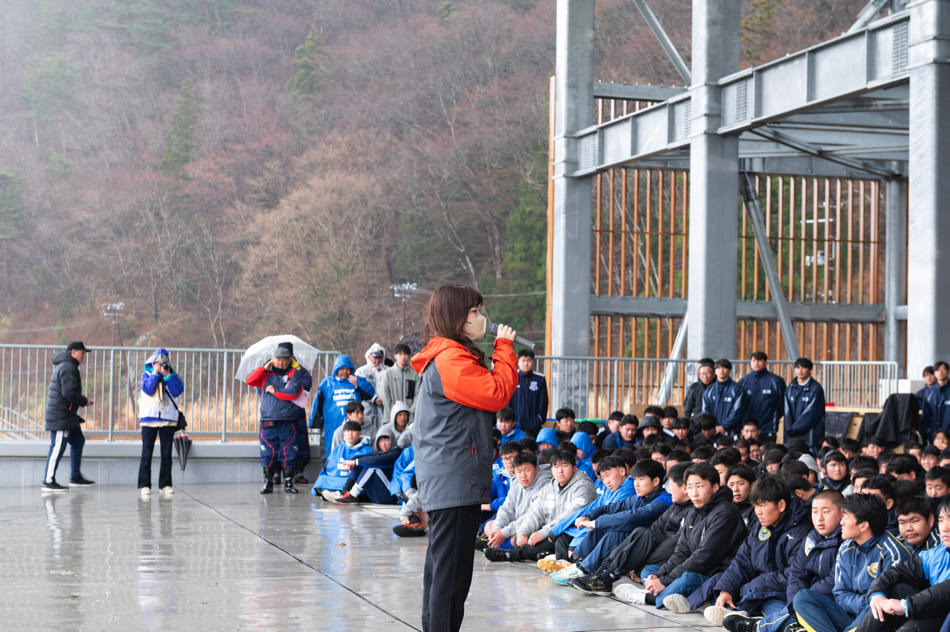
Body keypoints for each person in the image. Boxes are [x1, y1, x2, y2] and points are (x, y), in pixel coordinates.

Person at [410, 284, 518, 632]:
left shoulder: (450, 356)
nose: (480, 318)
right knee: (451, 577)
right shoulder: (451, 359)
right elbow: (496, 392)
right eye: (473, 312)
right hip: (453, 480)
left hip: (451, 479)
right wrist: (504, 348)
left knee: (445, 573)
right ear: (456, 317)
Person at [617, 462, 747, 611]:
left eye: (700, 486)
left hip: (717, 574)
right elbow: (681, 551)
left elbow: (705, 556)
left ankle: (648, 598)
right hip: (697, 569)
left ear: (715, 487)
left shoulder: (726, 513)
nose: (694, 493)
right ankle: (679, 597)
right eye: (690, 487)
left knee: (687, 579)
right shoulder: (694, 511)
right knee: (652, 571)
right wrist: (659, 575)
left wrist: (665, 581)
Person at [721, 488, 845, 632]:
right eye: (815, 512)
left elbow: (832, 581)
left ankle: (756, 626)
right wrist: (796, 603)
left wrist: (803, 601)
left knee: (794, 604)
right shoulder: (811, 538)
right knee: (777, 604)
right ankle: (790, 624)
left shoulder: (845, 542)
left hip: (831, 604)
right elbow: (796, 574)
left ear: (843, 513)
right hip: (803, 600)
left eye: (826, 511)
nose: (819, 518)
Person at [698, 476, 810, 623]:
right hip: (757, 588)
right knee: (719, 582)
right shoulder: (760, 526)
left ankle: (740, 614)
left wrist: (756, 585)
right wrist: (727, 590)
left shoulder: (801, 530)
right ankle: (730, 608)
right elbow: (742, 560)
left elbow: (793, 575)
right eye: (755, 506)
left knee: (777, 611)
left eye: (762, 505)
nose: (758, 512)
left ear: (781, 505)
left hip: (780, 593)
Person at [792, 494, 912, 632]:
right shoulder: (845, 548)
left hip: (876, 619)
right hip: (850, 614)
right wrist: (863, 601)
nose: (841, 522)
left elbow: (888, 598)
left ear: (863, 526)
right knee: (803, 598)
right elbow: (840, 594)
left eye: (846, 517)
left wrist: (868, 601)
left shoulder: (893, 552)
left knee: (877, 603)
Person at [571, 462, 693, 597]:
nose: (636, 484)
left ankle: (603, 575)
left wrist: (640, 562)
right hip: (646, 550)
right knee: (615, 528)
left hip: (662, 559)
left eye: (641, 479)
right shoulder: (660, 502)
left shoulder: (665, 501)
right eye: (635, 480)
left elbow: (633, 517)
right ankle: (592, 569)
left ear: (656, 481)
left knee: (631, 534)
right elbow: (611, 508)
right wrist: (589, 516)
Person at [483, 450, 596, 563]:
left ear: (574, 467)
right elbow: (535, 513)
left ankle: (510, 554)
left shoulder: (583, 486)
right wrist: (523, 532)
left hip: (575, 532)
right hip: (551, 530)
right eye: (556, 467)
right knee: (521, 537)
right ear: (551, 469)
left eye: (564, 465)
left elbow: (569, 516)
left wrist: (542, 533)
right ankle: (540, 553)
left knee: (556, 537)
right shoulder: (550, 487)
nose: (560, 471)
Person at [857, 498, 950, 632]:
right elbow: (895, 572)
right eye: (941, 520)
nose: (945, 527)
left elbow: (943, 591)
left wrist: (905, 605)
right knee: (898, 589)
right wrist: (876, 595)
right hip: (934, 612)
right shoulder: (937, 553)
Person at [246, 341, 313, 494]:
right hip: (268, 419)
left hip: (288, 420)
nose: (281, 363)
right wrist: (264, 368)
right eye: (277, 359)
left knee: (289, 451)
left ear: (290, 359)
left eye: (284, 360)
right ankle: (267, 482)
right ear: (273, 359)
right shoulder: (266, 372)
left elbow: (292, 393)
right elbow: (250, 380)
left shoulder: (295, 373)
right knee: (267, 451)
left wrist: (274, 391)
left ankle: (289, 482)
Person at [42, 341, 95, 492]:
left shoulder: (68, 366)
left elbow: (69, 392)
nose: (84, 356)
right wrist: (84, 401)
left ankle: (75, 477)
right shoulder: (68, 367)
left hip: (68, 417)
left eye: (84, 353)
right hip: (61, 417)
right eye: (82, 353)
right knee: (57, 447)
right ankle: (48, 481)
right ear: (73, 352)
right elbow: (68, 394)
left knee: (78, 441)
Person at [137, 348, 184, 498]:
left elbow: (178, 391)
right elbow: (149, 390)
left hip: (167, 419)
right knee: (146, 453)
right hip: (149, 419)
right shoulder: (146, 374)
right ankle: (144, 485)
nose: (161, 364)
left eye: (164, 362)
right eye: (158, 362)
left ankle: (165, 484)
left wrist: (168, 375)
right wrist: (155, 374)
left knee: (166, 454)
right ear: (152, 363)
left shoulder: (172, 375)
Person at [310, 354, 374, 459]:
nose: (345, 371)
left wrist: (358, 382)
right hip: (332, 425)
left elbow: (370, 393)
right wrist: (314, 422)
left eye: (347, 369)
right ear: (336, 369)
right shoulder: (326, 384)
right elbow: (317, 403)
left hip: (353, 426)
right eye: (342, 369)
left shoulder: (355, 382)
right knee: (332, 452)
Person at [312, 421, 373, 498]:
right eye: (348, 431)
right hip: (336, 478)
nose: (350, 433)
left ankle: (334, 493)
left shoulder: (367, 450)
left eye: (353, 431)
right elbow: (330, 467)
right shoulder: (338, 449)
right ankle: (334, 493)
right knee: (322, 480)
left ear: (360, 433)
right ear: (344, 434)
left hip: (353, 480)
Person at [737, 351, 786, 439]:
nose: (756, 363)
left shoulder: (776, 381)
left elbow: (782, 405)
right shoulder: (743, 381)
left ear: (765, 363)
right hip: (748, 430)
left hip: (768, 428)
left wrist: (772, 417)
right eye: (754, 360)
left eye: (759, 360)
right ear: (750, 363)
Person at [785, 357, 826, 450]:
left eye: (803, 368)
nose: (800, 371)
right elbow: (787, 411)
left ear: (809, 370)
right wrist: (789, 428)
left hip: (810, 436)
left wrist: (795, 428)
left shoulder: (816, 388)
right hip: (792, 435)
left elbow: (812, 413)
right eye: (797, 368)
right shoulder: (790, 388)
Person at [506, 349, 548, 435]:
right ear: (518, 362)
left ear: (533, 362)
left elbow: (543, 402)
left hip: (533, 427)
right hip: (513, 427)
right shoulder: (511, 377)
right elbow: (506, 401)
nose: (526, 363)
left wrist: (539, 420)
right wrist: (509, 421)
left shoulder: (540, 379)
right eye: (523, 360)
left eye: (529, 360)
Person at [702, 359, 749, 437]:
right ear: (715, 371)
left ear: (729, 371)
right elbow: (706, 412)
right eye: (718, 368)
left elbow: (737, 411)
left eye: (724, 368)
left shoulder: (737, 389)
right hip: (713, 431)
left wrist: (724, 427)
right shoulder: (709, 390)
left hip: (732, 432)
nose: (721, 370)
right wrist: (713, 427)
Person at [378, 343, 418, 428]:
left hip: (410, 420)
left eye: (405, 354)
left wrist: (409, 412)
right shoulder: (388, 373)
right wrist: (395, 412)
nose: (403, 357)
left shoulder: (415, 374)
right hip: (390, 418)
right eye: (400, 354)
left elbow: (417, 395)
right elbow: (385, 395)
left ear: (409, 356)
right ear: (395, 356)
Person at [355, 343, 387, 439]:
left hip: (384, 407)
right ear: (368, 356)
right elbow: (358, 389)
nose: (377, 360)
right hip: (367, 407)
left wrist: (383, 399)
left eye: (379, 357)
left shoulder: (387, 371)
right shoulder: (361, 371)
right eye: (374, 357)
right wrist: (373, 399)